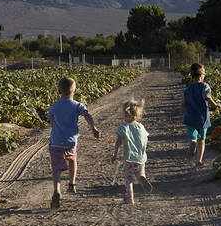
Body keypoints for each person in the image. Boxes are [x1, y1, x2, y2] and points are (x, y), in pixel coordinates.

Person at [47, 77, 101, 209]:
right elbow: (87, 115)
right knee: (72, 160)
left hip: (56, 142)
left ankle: (57, 190)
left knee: (56, 168)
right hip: (71, 142)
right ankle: (72, 184)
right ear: (75, 91)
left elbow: (51, 123)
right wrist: (93, 128)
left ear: (59, 90)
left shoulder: (54, 106)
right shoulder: (78, 105)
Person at [112, 99, 152, 205]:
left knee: (128, 179)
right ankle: (142, 177)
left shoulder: (123, 128)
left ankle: (130, 198)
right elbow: (146, 139)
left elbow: (118, 143)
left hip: (128, 158)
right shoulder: (141, 127)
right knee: (140, 172)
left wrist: (115, 155)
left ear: (125, 114)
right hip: (140, 158)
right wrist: (142, 150)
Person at [182, 62, 221, 168]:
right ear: (201, 75)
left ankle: (192, 142)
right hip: (202, 118)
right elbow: (206, 96)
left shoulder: (188, 89)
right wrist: (215, 104)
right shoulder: (205, 86)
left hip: (190, 117)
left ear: (192, 75)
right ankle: (199, 160)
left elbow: (184, 105)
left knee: (193, 137)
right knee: (202, 140)